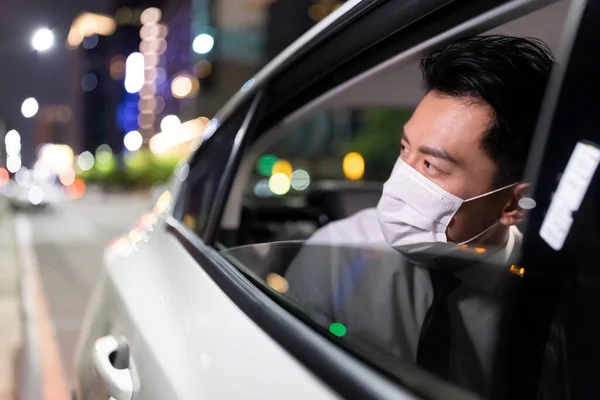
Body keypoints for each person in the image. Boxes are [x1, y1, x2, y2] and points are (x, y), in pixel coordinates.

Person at [284, 35, 555, 396]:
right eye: (404, 149)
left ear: (512, 204)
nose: (402, 175)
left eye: (430, 164)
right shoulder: (336, 253)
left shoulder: (552, 297)